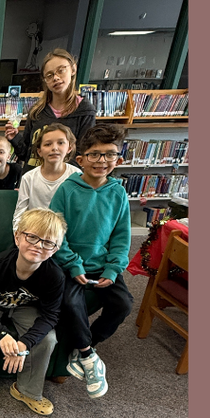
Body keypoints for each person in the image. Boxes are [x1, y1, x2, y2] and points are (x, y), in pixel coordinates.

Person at [49, 124, 133, 399]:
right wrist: (74, 265)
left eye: (109, 155)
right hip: (71, 264)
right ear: (81, 158)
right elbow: (56, 234)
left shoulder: (118, 193)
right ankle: (87, 355)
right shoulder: (66, 190)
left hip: (103, 264)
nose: (102, 161)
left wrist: (113, 267)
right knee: (72, 302)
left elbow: (122, 237)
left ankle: (85, 347)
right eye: (95, 155)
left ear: (118, 159)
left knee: (123, 304)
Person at [0, 208, 66, 415]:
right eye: (32, 237)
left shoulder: (55, 276)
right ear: (17, 236)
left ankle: (27, 390)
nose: (38, 246)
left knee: (48, 339)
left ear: (55, 249)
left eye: (48, 242)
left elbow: (50, 316)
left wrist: (24, 343)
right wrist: (2, 335)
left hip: (27, 307)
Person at [5, 48, 96, 166]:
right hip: (34, 179)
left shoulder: (85, 111)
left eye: (61, 70)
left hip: (65, 180)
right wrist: (15, 138)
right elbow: (26, 154)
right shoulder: (36, 111)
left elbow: (83, 155)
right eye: (49, 75)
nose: (56, 78)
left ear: (73, 69)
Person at [12, 123, 80, 232]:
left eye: (61, 143)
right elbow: (20, 214)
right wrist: (20, 239)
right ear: (39, 151)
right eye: (48, 144)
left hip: (66, 236)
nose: (54, 148)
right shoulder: (28, 178)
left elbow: (79, 213)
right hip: (35, 234)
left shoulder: (76, 175)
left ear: (69, 148)